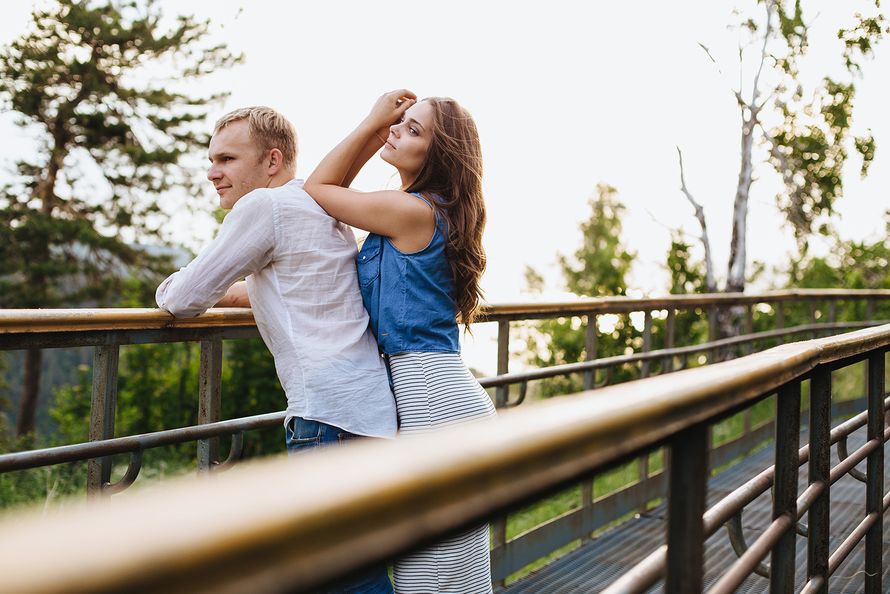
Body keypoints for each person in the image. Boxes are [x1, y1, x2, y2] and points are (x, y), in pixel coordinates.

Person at [155, 106, 397, 593]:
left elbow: (183, 299)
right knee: (359, 565)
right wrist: (240, 290)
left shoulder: (263, 207)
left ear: (271, 160)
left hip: (326, 416)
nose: (212, 172)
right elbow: (301, 283)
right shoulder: (319, 203)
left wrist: (165, 288)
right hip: (370, 411)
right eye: (211, 160)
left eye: (227, 159)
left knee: (341, 574)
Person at [305, 90, 496, 594]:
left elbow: (318, 188)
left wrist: (371, 122)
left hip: (432, 400)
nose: (396, 130)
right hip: (435, 396)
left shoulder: (409, 211)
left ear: (439, 154)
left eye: (413, 129)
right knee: (451, 578)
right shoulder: (418, 213)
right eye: (399, 122)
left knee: (427, 577)